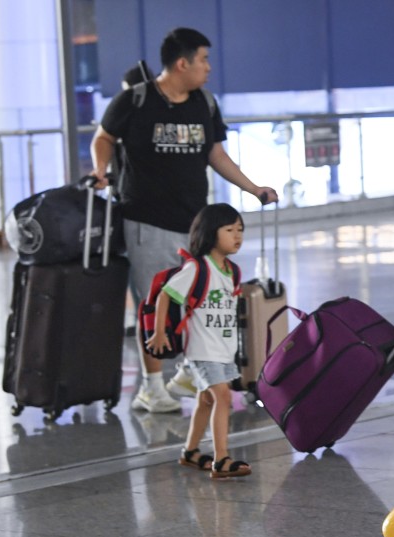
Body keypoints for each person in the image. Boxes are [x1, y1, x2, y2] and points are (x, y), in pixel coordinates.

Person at [90, 27, 278, 413]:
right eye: (204, 59)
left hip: (194, 224)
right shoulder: (135, 101)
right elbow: (103, 138)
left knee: (199, 301)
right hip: (146, 220)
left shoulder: (204, 103)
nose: (209, 68)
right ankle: (151, 386)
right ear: (182, 63)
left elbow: (217, 154)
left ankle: (188, 375)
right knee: (154, 302)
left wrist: (253, 187)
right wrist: (99, 170)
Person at [146, 203, 251, 479]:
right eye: (229, 230)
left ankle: (191, 452)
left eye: (240, 230)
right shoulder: (197, 268)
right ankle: (221, 459)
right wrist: (158, 333)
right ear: (210, 233)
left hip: (224, 350)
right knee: (223, 398)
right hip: (203, 350)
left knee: (206, 400)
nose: (237, 236)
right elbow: (165, 295)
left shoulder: (233, 271)